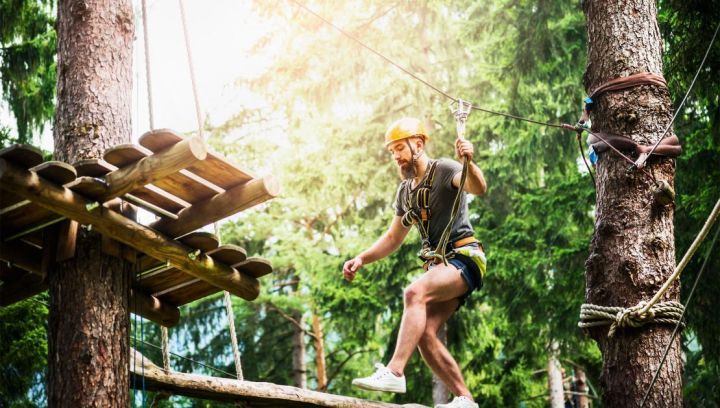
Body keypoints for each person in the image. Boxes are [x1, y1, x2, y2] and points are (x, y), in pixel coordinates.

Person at [343, 117, 487, 408]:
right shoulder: (406, 192)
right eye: (392, 151)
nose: (395, 156)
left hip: (465, 257)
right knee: (424, 334)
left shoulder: (445, 169)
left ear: (418, 144)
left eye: (399, 148)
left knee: (413, 292)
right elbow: (393, 237)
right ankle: (466, 400)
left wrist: (469, 161)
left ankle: (395, 371)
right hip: (442, 267)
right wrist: (361, 258)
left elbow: (477, 187)